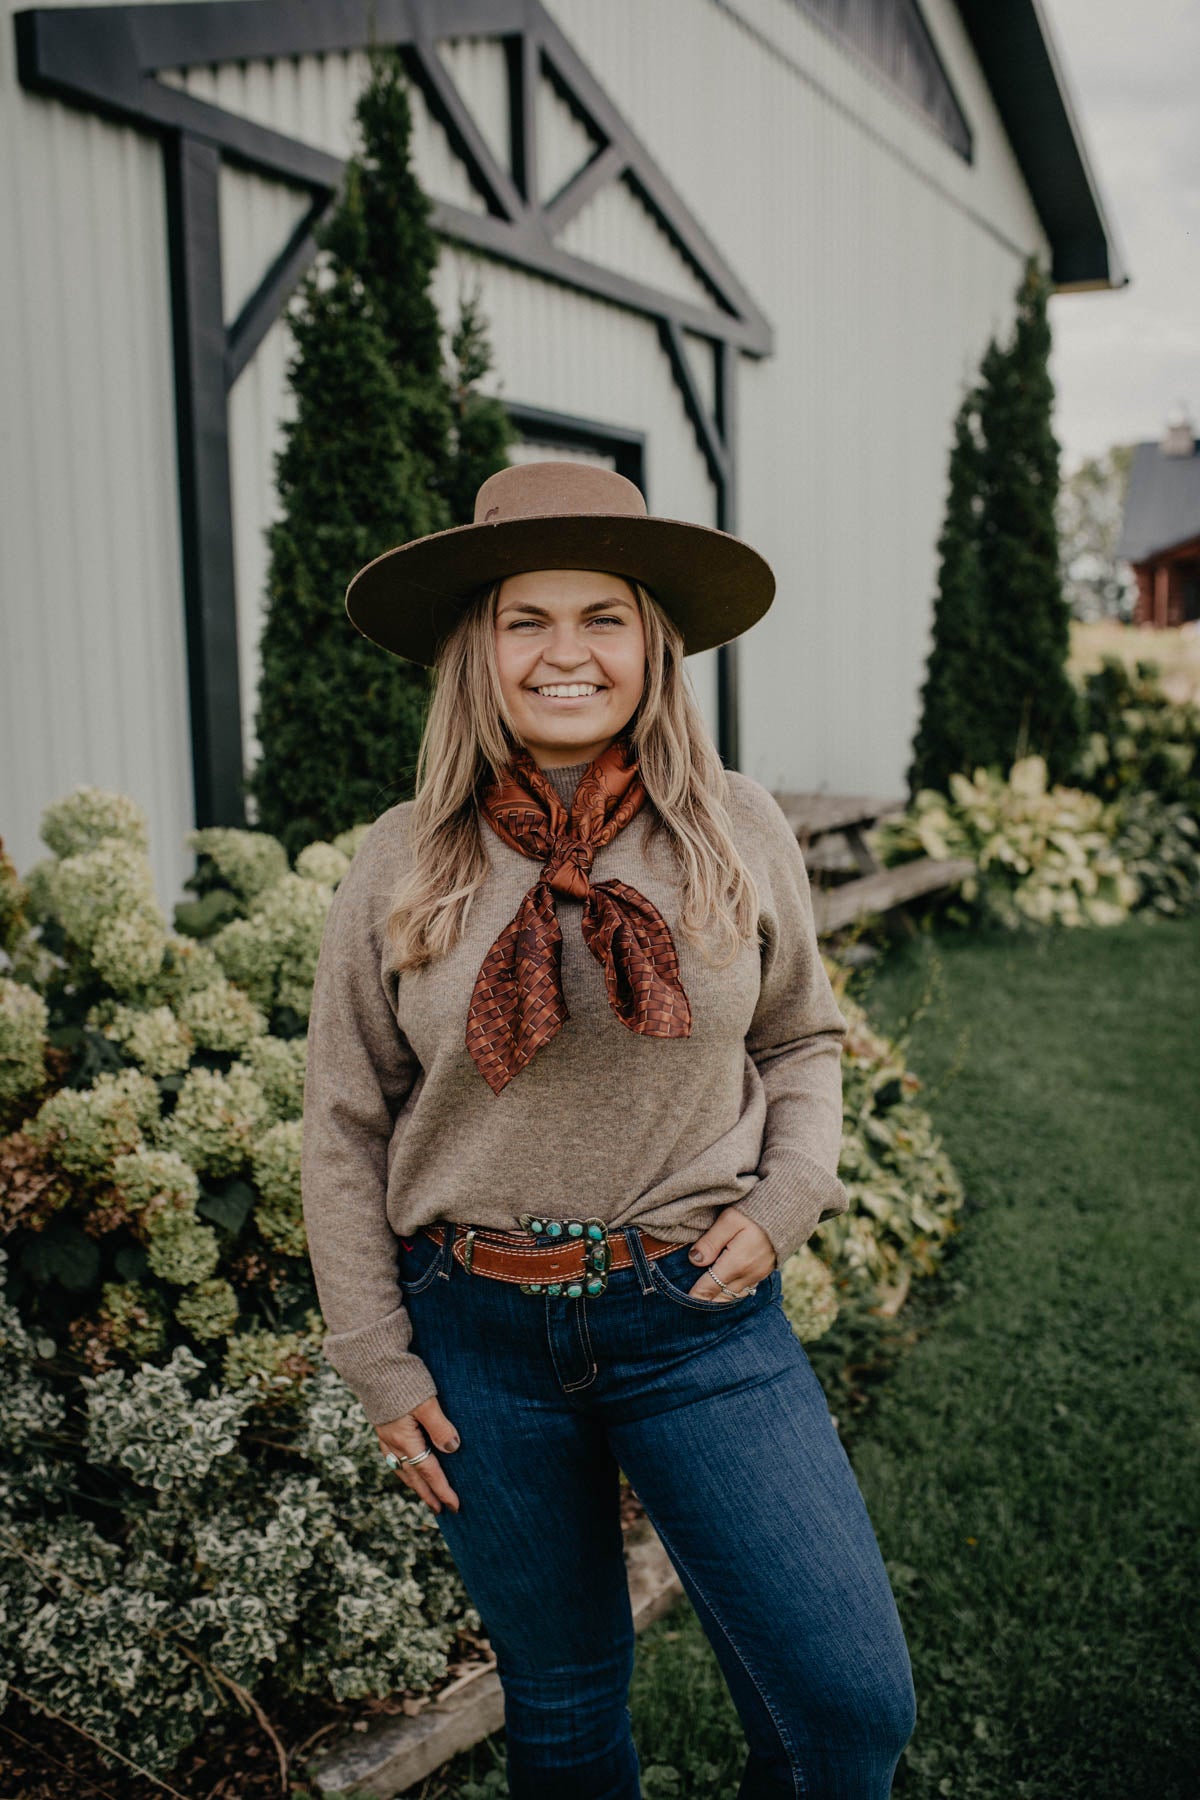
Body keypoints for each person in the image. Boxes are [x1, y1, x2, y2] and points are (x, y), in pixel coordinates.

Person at [301, 461, 917, 1799]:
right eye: (528, 618)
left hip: (695, 1315)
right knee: (567, 1721)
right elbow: (346, 1124)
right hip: (477, 1337)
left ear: (653, 642)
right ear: (482, 645)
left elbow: (801, 1038)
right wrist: (381, 1365)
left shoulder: (736, 827)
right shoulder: (401, 857)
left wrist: (789, 1192)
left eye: (602, 617)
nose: (565, 653)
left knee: (849, 1709)